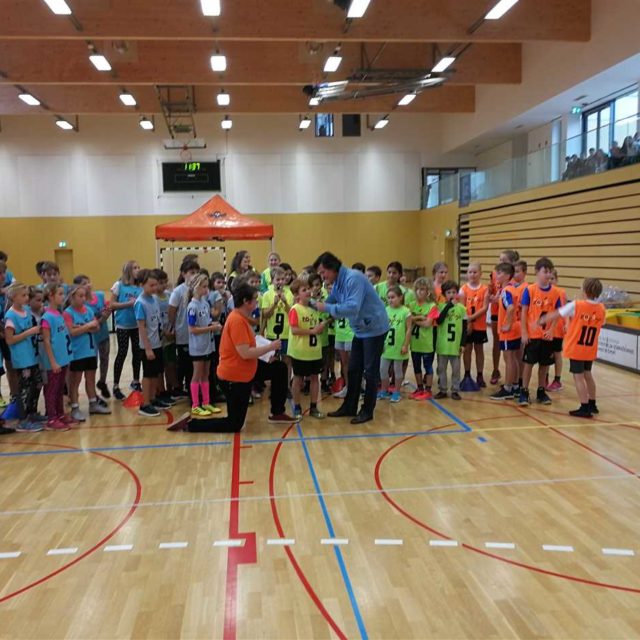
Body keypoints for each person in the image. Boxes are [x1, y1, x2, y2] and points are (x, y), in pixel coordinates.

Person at [172, 282, 294, 433]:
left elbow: (248, 346)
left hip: (246, 369)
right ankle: (190, 424)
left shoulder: (241, 318)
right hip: (234, 377)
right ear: (246, 302)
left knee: (279, 368)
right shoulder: (237, 321)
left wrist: (266, 355)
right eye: (255, 300)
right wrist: (270, 347)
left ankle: (277, 412)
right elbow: (245, 353)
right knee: (234, 424)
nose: (257, 303)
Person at [313, 252, 389, 425]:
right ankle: (349, 406)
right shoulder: (338, 282)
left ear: (333, 268)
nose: (322, 276)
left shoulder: (353, 278)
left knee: (370, 371)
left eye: (323, 272)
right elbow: (332, 301)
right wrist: (311, 303)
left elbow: (352, 307)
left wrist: (324, 307)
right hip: (361, 329)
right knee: (354, 369)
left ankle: (367, 410)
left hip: (374, 328)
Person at [541, 278, 606, 418]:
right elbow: (603, 322)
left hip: (577, 348)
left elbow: (558, 313)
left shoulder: (577, 305)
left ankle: (584, 407)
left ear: (585, 291)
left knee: (579, 377)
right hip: (590, 349)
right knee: (588, 375)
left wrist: (541, 320)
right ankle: (592, 404)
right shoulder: (601, 308)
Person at [519, 257, 562, 406]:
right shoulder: (530, 290)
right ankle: (524, 391)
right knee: (528, 364)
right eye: (545, 271)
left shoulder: (555, 292)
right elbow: (524, 313)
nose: (548, 274)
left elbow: (557, 313)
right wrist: (524, 332)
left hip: (547, 336)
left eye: (550, 272)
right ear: (537, 272)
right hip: (532, 335)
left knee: (544, 365)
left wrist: (551, 329)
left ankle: (541, 391)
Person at [65, 285, 112, 422]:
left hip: (90, 350)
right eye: (80, 296)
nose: (83, 299)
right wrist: (86, 326)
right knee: (75, 381)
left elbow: (96, 327)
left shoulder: (89, 310)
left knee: (90, 379)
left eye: (84, 296)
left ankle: (93, 404)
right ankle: (75, 408)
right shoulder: (68, 313)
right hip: (76, 353)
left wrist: (81, 327)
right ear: (72, 297)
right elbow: (72, 332)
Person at [4, 283, 44, 432]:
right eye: (23, 295)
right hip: (22, 359)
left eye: (27, 295)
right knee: (24, 389)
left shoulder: (26, 310)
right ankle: (22, 420)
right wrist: (29, 332)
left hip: (32, 355)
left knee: (37, 383)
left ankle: (32, 412)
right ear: (14, 297)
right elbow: (9, 340)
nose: (27, 298)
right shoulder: (10, 316)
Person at [288, 278, 326, 420]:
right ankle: (297, 407)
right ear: (296, 295)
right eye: (304, 290)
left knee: (315, 378)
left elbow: (317, 328)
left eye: (308, 289)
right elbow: (294, 330)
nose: (308, 292)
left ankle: (314, 407)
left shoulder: (314, 309)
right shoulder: (295, 309)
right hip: (300, 351)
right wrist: (312, 331)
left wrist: (320, 328)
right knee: (298, 379)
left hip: (314, 351)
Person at [135, 269, 170, 418]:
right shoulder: (140, 303)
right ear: (141, 285)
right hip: (148, 346)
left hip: (157, 343)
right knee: (148, 374)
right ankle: (145, 404)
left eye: (156, 284)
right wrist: (148, 348)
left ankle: (153, 398)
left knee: (156, 372)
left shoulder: (154, 299)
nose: (155, 288)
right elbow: (142, 327)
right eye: (151, 285)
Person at [187, 273, 221, 417]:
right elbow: (192, 329)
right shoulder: (192, 306)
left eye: (207, 287)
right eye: (204, 287)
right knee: (197, 374)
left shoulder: (205, 304)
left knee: (206, 374)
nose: (207, 290)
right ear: (196, 288)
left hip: (208, 344)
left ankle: (206, 402)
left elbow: (205, 322)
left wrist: (213, 324)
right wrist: (211, 328)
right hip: (198, 347)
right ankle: (195, 404)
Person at [40, 283, 73, 430]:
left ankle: (60, 414)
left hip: (62, 359)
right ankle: (51, 418)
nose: (63, 297)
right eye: (60, 294)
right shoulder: (47, 318)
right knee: (52, 390)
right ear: (51, 296)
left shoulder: (58, 314)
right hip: (53, 362)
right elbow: (46, 342)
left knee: (60, 389)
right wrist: (53, 362)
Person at [75, 274, 112, 399]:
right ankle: (92, 393)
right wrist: (102, 318)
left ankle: (102, 381)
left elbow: (105, 309)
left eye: (88, 282)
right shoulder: (83, 303)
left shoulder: (100, 295)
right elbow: (91, 323)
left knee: (105, 359)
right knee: (93, 364)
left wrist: (107, 312)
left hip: (104, 333)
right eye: (84, 284)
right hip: (92, 338)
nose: (88, 285)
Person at [110, 260, 142, 399]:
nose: (138, 270)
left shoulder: (140, 287)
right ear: (128, 270)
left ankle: (136, 381)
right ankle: (116, 385)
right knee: (122, 353)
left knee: (137, 353)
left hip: (137, 325)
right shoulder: (119, 285)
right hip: (123, 324)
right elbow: (112, 304)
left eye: (139, 267)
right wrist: (128, 304)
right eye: (135, 268)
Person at [168, 259, 200, 397]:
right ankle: (179, 387)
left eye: (197, 272)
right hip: (183, 333)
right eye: (192, 272)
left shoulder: (198, 290)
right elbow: (171, 312)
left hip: (196, 334)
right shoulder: (178, 291)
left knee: (194, 363)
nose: (195, 275)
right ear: (183, 274)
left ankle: (192, 388)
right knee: (184, 362)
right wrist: (173, 327)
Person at [490, 263, 522, 400]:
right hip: (517, 328)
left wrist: (507, 324)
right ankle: (515, 385)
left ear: (508, 276)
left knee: (509, 359)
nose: (497, 275)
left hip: (509, 330)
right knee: (513, 359)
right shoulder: (512, 289)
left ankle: (508, 388)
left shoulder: (506, 291)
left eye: (500, 273)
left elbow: (510, 308)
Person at [377, 286, 412, 403]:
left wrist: (405, 345)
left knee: (397, 370)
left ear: (400, 297)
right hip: (386, 346)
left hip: (399, 346)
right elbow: (381, 328)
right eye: (389, 298)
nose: (390, 300)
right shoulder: (385, 310)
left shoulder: (405, 311)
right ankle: (384, 390)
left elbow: (409, 329)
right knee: (383, 369)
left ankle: (397, 392)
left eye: (393, 297)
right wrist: (380, 343)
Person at [434, 281, 467, 400]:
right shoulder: (440, 307)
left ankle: (455, 390)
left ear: (457, 293)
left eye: (454, 292)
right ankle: (442, 389)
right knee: (441, 369)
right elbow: (439, 321)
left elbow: (465, 328)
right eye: (449, 292)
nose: (452, 294)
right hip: (442, 345)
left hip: (455, 345)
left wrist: (463, 344)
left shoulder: (462, 309)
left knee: (456, 370)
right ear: (444, 294)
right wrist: (448, 306)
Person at [459, 262, 489, 390]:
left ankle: (480, 375)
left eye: (475, 272)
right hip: (467, 325)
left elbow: (485, 308)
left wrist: (471, 318)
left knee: (479, 350)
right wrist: (468, 322)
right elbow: (462, 308)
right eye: (470, 272)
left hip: (480, 326)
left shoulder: (485, 289)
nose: (472, 274)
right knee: (467, 349)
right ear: (467, 274)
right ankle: (467, 374)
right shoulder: (463, 289)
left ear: (480, 273)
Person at [408, 277, 439, 400]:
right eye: (417, 289)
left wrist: (414, 320)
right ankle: (419, 388)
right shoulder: (411, 305)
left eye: (422, 289)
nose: (419, 292)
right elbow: (406, 319)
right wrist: (419, 318)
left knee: (428, 367)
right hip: (415, 342)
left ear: (428, 291)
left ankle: (428, 390)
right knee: (416, 366)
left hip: (426, 342)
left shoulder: (432, 306)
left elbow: (427, 324)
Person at [547, 268, 566, 392]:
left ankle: (557, 380)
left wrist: (565, 325)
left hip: (557, 329)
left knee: (557, 353)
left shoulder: (560, 292)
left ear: (557, 280)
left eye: (552, 279)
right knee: (546, 354)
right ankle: (545, 377)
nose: (550, 281)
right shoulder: (543, 291)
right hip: (546, 329)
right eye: (548, 279)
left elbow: (563, 311)